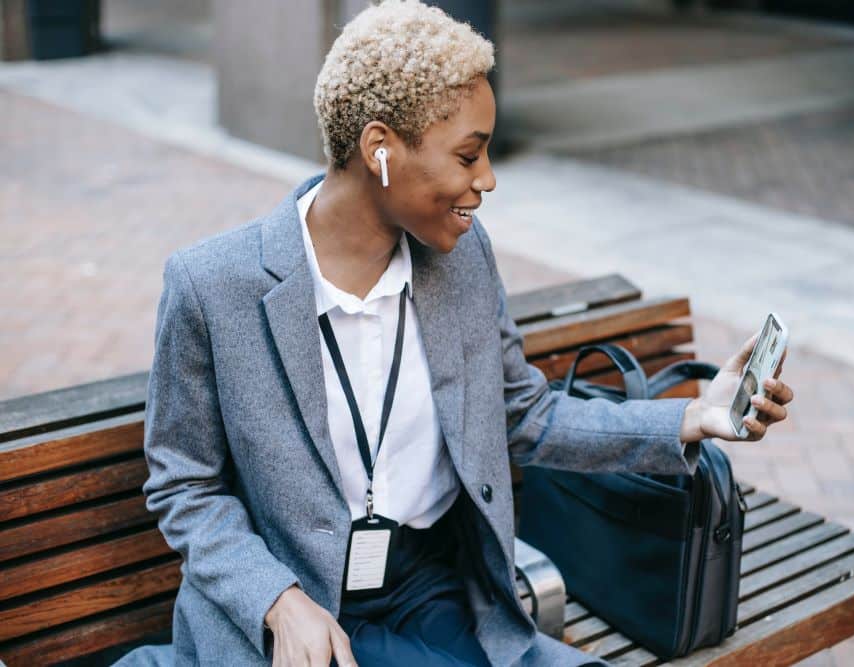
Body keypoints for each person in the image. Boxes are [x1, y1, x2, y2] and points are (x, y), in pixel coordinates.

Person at [118, 2, 794, 665]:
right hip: (293, 605)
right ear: (379, 148)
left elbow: (523, 414)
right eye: (469, 155)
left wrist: (695, 417)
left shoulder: (461, 258)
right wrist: (277, 598)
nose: (488, 180)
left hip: (432, 589)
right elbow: (185, 486)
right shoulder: (214, 286)